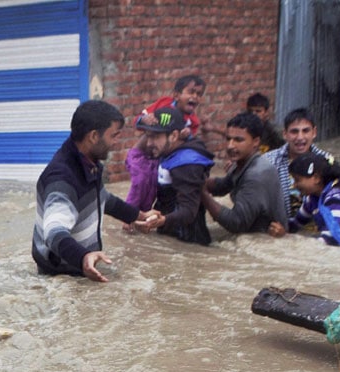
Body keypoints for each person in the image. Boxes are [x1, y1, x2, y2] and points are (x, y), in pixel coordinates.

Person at [33, 100, 160, 281]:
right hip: (62, 278)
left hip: (82, 268)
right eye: (113, 135)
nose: (117, 142)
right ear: (93, 136)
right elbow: (53, 231)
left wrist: (139, 216)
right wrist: (83, 257)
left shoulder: (88, 163)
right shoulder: (62, 179)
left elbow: (103, 199)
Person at [126, 75, 222, 215]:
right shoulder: (163, 105)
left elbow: (188, 143)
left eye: (199, 94)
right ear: (176, 95)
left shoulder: (192, 122)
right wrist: (144, 119)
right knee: (140, 182)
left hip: (158, 158)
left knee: (152, 186)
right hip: (141, 155)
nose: (195, 97)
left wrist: (187, 135)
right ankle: (128, 215)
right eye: (191, 92)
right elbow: (137, 122)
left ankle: (143, 215)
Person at [137, 107, 216, 245]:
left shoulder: (187, 163)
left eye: (155, 137)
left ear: (173, 136)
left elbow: (188, 211)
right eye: (148, 136)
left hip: (189, 243)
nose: (149, 143)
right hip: (169, 237)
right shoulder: (168, 152)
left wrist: (163, 220)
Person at [201, 113, 287, 237]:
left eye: (238, 140)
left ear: (256, 142)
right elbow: (223, 185)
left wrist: (202, 194)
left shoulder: (256, 175)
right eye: (228, 139)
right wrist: (199, 181)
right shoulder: (241, 162)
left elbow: (236, 223)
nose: (230, 145)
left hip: (263, 242)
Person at [263, 108, 331, 219]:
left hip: (318, 229)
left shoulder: (327, 161)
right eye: (294, 131)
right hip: (281, 229)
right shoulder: (269, 161)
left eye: (305, 131)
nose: (300, 137)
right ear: (285, 134)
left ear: (314, 132)